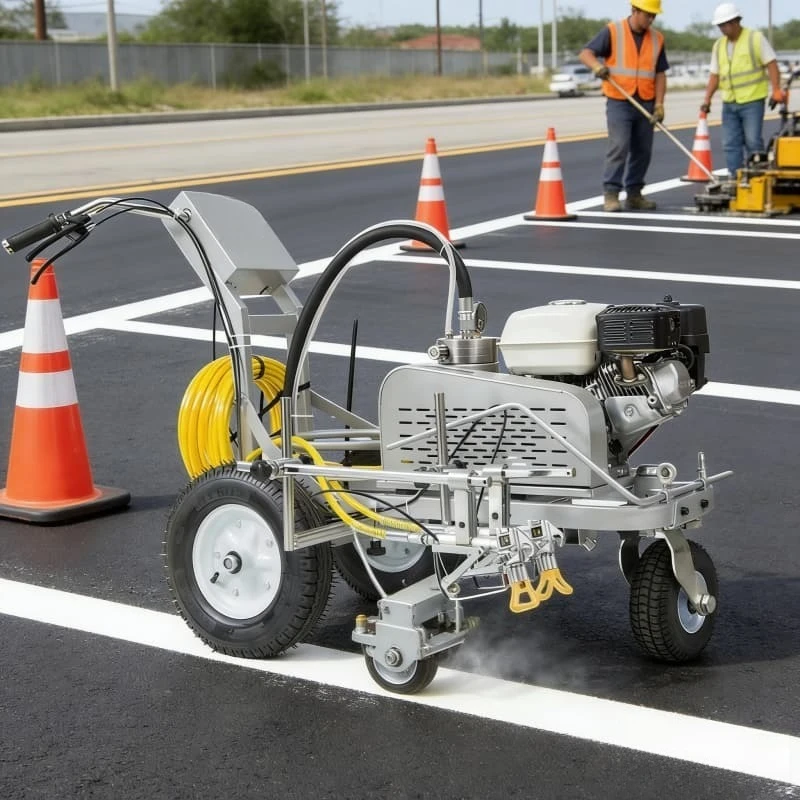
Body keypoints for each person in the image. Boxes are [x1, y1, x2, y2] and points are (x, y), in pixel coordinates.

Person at [579, 1, 668, 213]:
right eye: (648, 15)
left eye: (653, 16)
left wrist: (659, 104)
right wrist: (598, 67)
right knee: (619, 145)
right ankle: (611, 193)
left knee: (643, 150)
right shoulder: (613, 31)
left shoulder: (657, 39)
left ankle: (634, 194)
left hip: (645, 100)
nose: (651, 19)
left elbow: (660, 73)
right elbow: (585, 54)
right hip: (619, 99)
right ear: (634, 11)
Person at [700, 3, 786, 180]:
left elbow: (771, 63)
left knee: (753, 141)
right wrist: (707, 99)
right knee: (730, 144)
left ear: (736, 21)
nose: (722, 29)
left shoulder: (755, 38)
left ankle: (757, 179)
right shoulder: (719, 45)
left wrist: (776, 90)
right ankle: (736, 179)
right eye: (720, 26)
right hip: (730, 102)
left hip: (752, 100)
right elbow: (715, 75)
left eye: (725, 25)